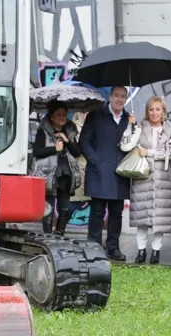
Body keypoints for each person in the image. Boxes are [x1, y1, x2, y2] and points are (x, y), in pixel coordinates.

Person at [120, 96, 171, 264]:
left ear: (163, 111)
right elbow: (125, 145)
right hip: (143, 177)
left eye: (158, 109)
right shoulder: (140, 127)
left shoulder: (170, 129)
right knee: (142, 218)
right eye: (151, 109)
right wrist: (130, 127)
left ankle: (156, 251)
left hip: (163, 179)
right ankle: (141, 250)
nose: (154, 113)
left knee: (160, 219)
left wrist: (149, 153)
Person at [80, 86, 131, 261]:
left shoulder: (129, 119)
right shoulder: (96, 115)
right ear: (110, 97)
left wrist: (134, 126)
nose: (119, 100)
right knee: (97, 212)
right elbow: (84, 141)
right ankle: (93, 247)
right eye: (116, 96)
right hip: (99, 172)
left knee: (117, 213)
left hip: (120, 173)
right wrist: (94, 160)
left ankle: (113, 248)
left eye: (123, 96)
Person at [31, 101, 82, 235]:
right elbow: (36, 152)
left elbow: (77, 152)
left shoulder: (70, 130)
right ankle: (48, 236)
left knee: (65, 209)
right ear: (51, 116)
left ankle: (60, 235)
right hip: (48, 174)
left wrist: (66, 140)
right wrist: (55, 148)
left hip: (66, 174)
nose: (62, 117)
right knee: (48, 209)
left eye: (64, 115)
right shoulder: (43, 130)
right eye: (58, 114)